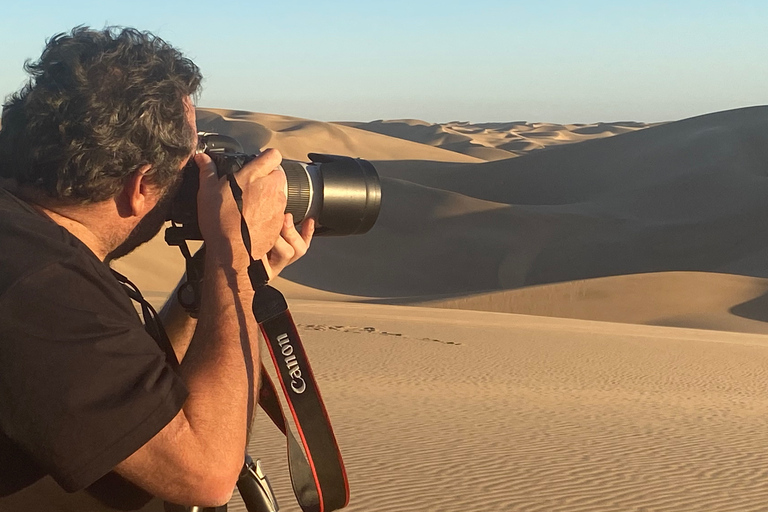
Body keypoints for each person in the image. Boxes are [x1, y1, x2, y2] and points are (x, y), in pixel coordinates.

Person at [0, 26, 314, 511]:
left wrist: (211, 278)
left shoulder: (29, 247)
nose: (195, 180)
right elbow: (205, 475)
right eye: (187, 165)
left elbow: (129, 389)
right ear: (141, 184)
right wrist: (238, 261)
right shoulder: (36, 286)